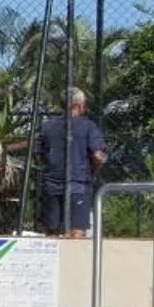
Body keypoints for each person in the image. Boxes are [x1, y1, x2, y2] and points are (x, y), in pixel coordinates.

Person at [36, 88, 106, 237]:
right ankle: (75, 258)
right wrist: (94, 172)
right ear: (79, 105)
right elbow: (98, 156)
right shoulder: (88, 126)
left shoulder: (47, 126)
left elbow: (39, 153)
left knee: (52, 230)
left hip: (52, 184)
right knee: (77, 231)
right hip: (79, 184)